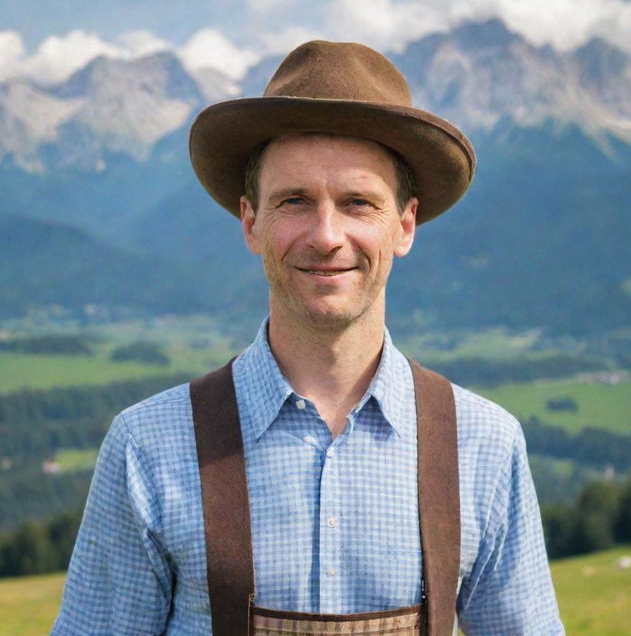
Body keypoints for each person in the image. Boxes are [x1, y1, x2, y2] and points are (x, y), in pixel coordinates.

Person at [52, 41, 564, 635]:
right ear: (251, 223)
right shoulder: (148, 446)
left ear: (404, 225)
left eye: (357, 204)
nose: (326, 235)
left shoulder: (484, 445)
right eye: (295, 200)